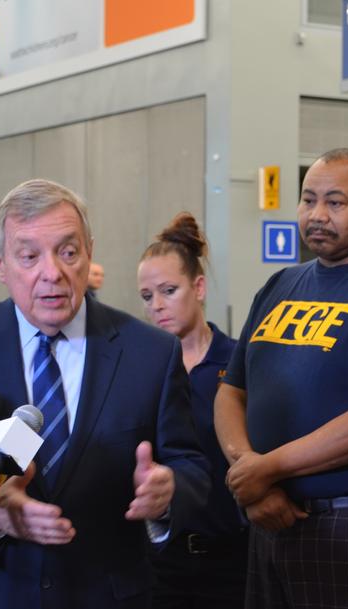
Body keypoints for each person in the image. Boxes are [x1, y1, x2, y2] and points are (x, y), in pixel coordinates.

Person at [0, 179, 209, 609]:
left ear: (89, 251)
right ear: (0, 263)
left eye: (68, 252)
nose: (52, 272)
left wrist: (168, 494)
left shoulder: (152, 352)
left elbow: (192, 469)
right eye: (29, 256)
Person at [214, 148, 348, 608]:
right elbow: (231, 391)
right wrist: (250, 475)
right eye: (308, 199)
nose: (317, 215)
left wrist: (267, 469)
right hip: (269, 519)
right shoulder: (280, 285)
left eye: (335, 202)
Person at [137, 212, 247, 608]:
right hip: (161, 562)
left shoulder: (237, 363)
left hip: (231, 559)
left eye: (169, 290)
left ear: (198, 287)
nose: (158, 307)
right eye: (147, 297)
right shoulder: (139, 370)